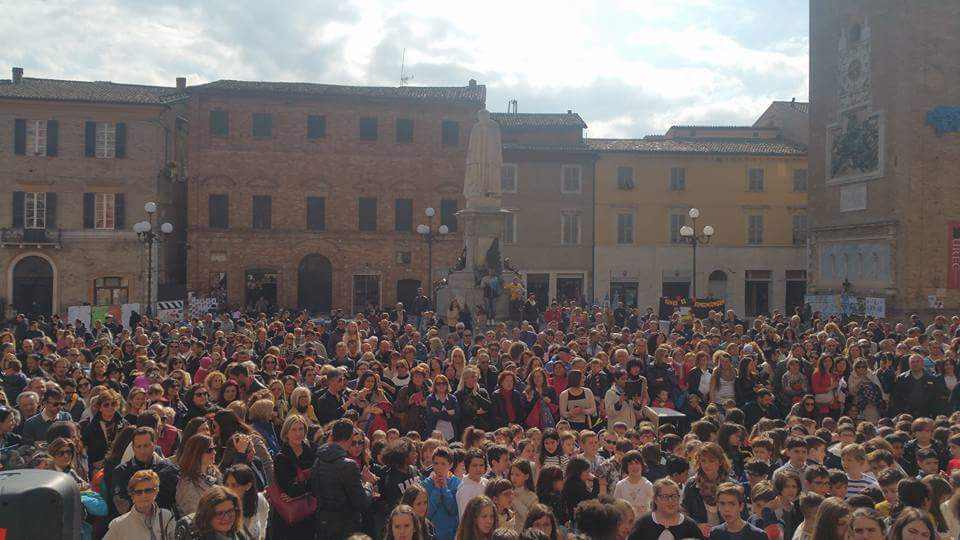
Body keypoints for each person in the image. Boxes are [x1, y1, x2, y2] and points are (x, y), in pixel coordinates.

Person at [312, 418, 374, 539]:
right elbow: (361, 502)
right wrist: (367, 484)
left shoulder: (318, 460)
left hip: (324, 524)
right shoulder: (349, 465)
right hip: (346, 527)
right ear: (351, 437)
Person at [114, 426, 180, 514]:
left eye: (146, 445)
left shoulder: (169, 470)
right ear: (133, 448)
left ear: (154, 444)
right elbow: (122, 504)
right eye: (138, 446)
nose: (142, 451)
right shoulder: (121, 472)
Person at [271, 415, 315, 538]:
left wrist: (300, 493)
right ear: (286, 433)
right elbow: (291, 490)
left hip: (309, 515)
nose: (298, 433)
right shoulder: (281, 458)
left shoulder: (312, 452)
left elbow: (320, 481)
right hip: (287, 519)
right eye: (293, 430)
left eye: (301, 429)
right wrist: (309, 488)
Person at [104, 469, 177, 540]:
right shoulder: (118, 525)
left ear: (156, 491)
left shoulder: (166, 516)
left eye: (148, 491)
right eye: (138, 492)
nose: (144, 495)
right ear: (132, 494)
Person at [629, 478, 704, 540]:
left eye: (674, 496)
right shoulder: (643, 524)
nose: (670, 501)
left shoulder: (690, 526)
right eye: (665, 496)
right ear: (655, 499)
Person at [174, 485, 247, 540]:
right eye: (219, 513)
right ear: (207, 515)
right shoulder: (193, 536)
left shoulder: (239, 535)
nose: (226, 517)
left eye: (230, 511)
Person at [176, 433, 222, 516]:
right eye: (209, 450)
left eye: (214, 448)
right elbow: (193, 513)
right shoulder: (186, 483)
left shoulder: (216, 474)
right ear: (197, 453)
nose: (214, 452)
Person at [224, 464, 270, 540]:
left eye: (234, 485)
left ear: (248, 486)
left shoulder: (259, 500)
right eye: (226, 485)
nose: (229, 489)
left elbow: (263, 526)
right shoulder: (222, 507)